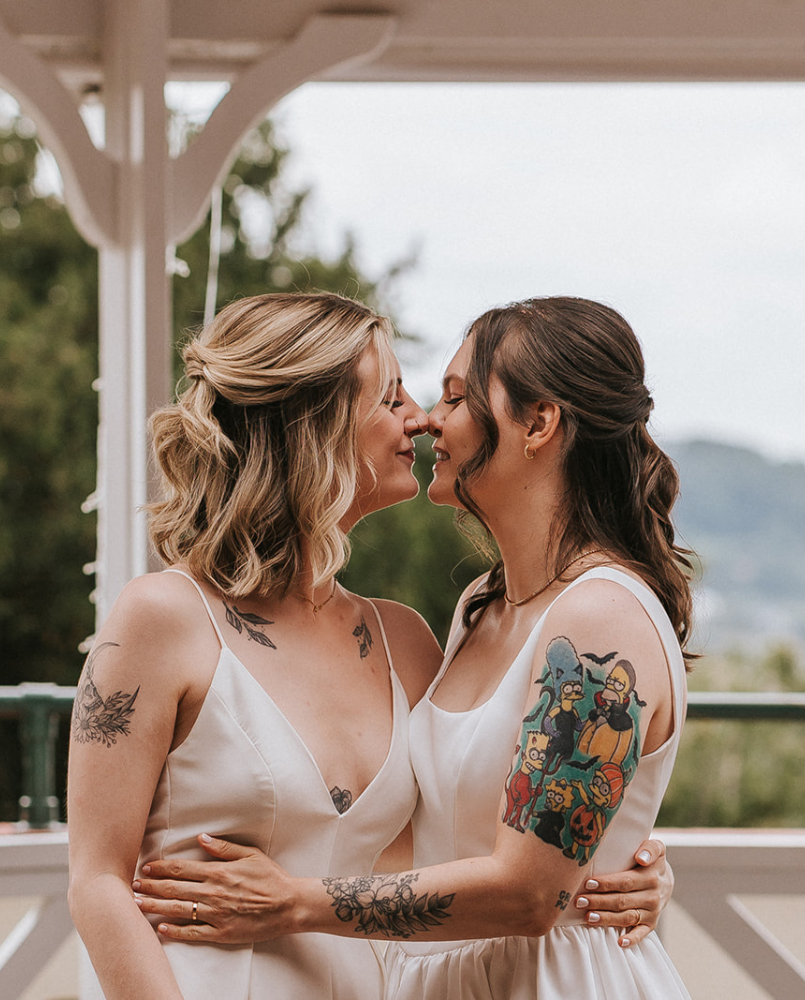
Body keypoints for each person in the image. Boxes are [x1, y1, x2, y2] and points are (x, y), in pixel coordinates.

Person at [132, 296, 690, 998]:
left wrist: (293, 903)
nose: (427, 419)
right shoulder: (482, 606)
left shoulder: (600, 616)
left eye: (455, 397)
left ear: (539, 423)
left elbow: (530, 895)